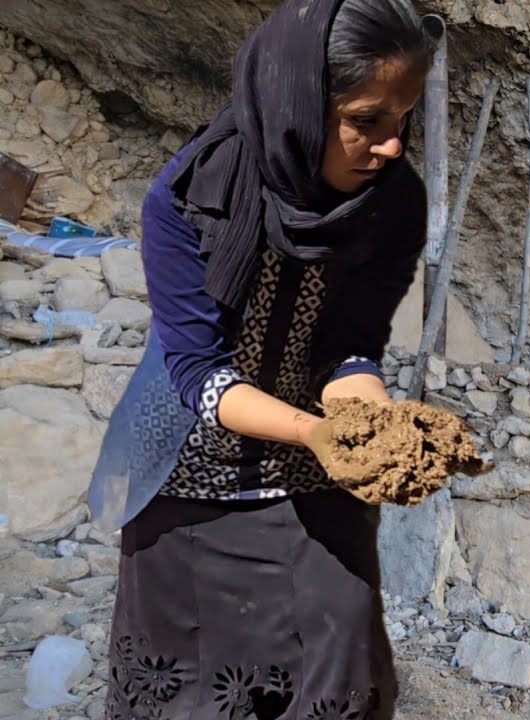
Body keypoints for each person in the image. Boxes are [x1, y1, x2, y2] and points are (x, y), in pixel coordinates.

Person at [86, 1, 439, 717]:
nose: (392, 145)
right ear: (302, 104)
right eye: (366, 119)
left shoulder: (393, 203)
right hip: (187, 482)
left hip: (314, 486)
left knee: (338, 671)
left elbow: (352, 345)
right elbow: (197, 370)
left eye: (402, 119)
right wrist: (317, 432)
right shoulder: (189, 198)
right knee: (190, 690)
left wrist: (372, 422)